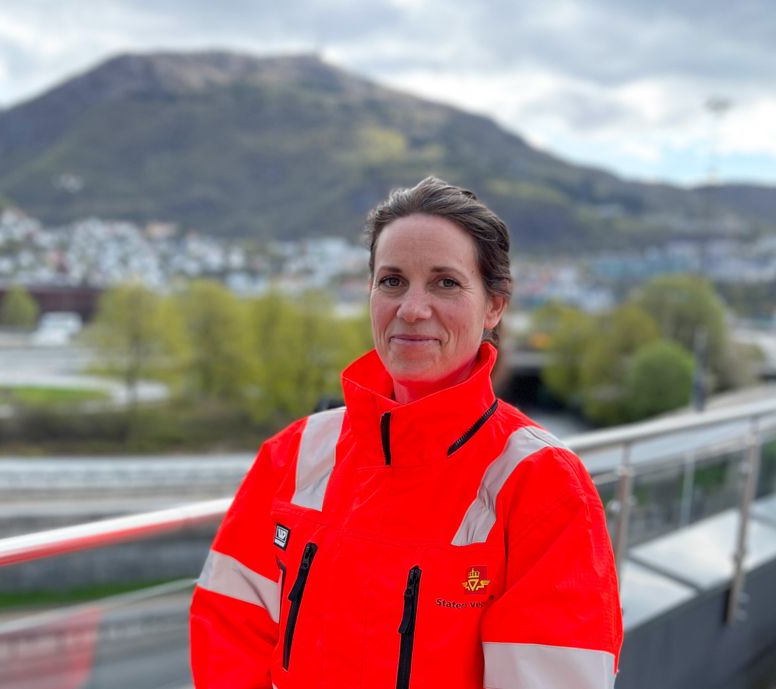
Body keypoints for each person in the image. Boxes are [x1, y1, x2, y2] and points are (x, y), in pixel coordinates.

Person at [189, 177, 623, 689]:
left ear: (494, 306)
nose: (412, 309)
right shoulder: (297, 453)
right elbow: (228, 628)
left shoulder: (541, 485)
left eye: (446, 282)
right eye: (392, 281)